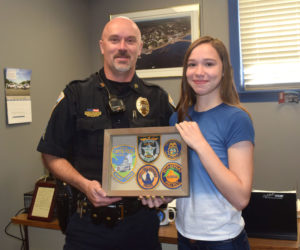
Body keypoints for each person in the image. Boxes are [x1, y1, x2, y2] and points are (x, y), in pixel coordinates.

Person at [37, 16, 174, 250]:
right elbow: (50, 154)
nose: (122, 47)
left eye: (130, 41)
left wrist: (170, 192)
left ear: (140, 48)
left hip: (141, 227)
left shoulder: (158, 99)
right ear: (102, 46)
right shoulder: (76, 95)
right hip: (88, 228)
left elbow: (175, 154)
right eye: (114, 40)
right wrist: (83, 185)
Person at [169, 36, 255, 250]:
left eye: (209, 64)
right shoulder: (177, 118)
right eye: (192, 64)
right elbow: (179, 181)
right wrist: (159, 196)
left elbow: (241, 197)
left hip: (223, 240)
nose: (199, 72)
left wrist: (200, 143)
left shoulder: (237, 119)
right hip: (185, 236)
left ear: (223, 70)